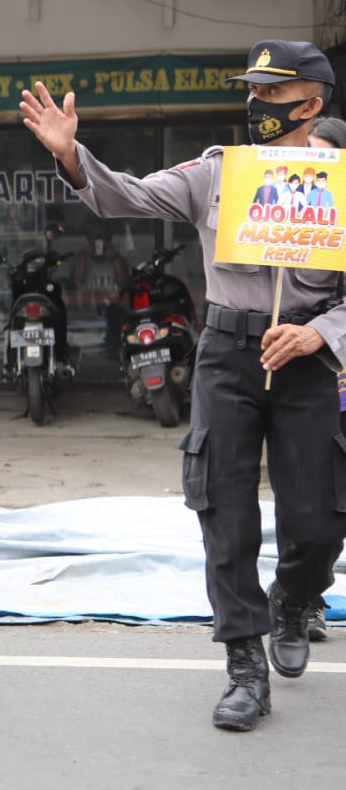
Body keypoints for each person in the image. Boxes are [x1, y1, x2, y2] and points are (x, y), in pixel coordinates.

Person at [20, 40, 346, 732]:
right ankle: (243, 666)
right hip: (227, 353)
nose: (255, 104)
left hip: (309, 356)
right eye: (251, 92)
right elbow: (127, 195)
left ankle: (295, 597)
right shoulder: (215, 170)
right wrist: (72, 155)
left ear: (312, 105)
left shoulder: (341, 182)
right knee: (225, 510)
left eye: (272, 94)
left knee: (319, 516)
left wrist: (322, 333)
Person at [304, 115, 346, 643]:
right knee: (325, 491)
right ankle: (307, 594)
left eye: (320, 156)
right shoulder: (289, 221)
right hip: (323, 373)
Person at [71, 220, 130, 359]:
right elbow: (76, 283)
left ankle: (114, 353)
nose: (98, 242)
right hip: (86, 307)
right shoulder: (81, 258)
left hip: (112, 309)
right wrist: (85, 256)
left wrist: (115, 257)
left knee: (115, 314)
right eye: (94, 238)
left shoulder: (117, 258)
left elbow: (124, 282)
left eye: (101, 237)